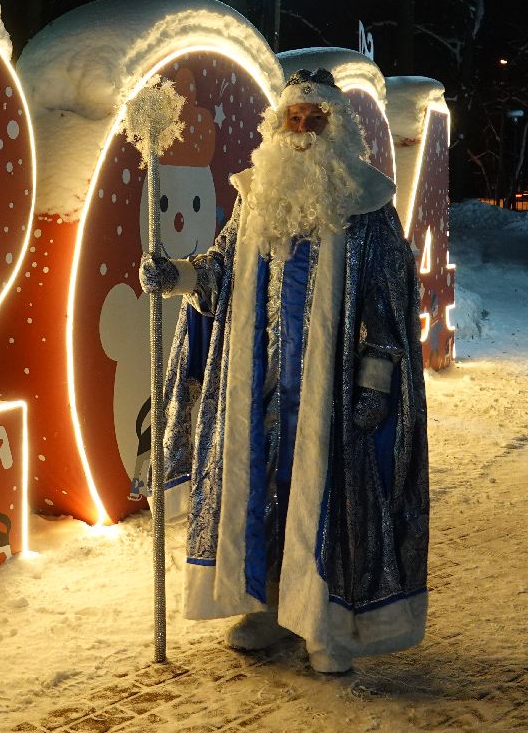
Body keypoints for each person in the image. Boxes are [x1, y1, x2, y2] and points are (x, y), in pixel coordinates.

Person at [140, 68, 428, 674]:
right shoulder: (255, 198)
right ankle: (269, 604)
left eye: (314, 118)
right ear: (277, 127)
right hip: (260, 388)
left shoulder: (368, 204)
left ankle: (328, 626)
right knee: (264, 491)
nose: (302, 130)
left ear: (336, 127)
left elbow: (389, 302)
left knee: (328, 503)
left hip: (330, 394)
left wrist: (376, 383)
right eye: (293, 118)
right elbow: (219, 273)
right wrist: (181, 277)